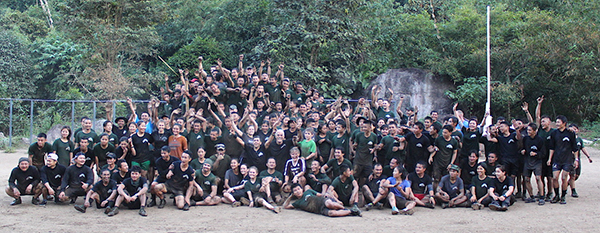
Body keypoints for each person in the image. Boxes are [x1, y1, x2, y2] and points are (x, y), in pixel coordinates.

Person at [547, 115, 578, 204]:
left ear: (564, 123)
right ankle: (556, 195)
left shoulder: (570, 133)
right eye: (556, 122)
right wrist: (550, 159)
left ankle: (563, 196)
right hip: (557, 159)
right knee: (555, 178)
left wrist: (576, 160)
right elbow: (552, 147)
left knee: (564, 177)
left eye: (558, 122)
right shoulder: (554, 133)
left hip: (567, 159)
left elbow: (575, 148)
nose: (556, 124)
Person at [283, 183, 361, 217]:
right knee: (331, 213)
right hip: (319, 210)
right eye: (295, 191)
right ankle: (352, 211)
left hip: (322, 201)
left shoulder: (308, 191)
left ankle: (344, 209)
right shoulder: (297, 203)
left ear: (302, 189)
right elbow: (285, 206)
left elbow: (321, 195)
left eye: (298, 189)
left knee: (329, 204)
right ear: (294, 193)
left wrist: (334, 199)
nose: (298, 191)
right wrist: (290, 197)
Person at [521, 123, 545, 205]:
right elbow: (523, 147)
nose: (528, 132)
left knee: (538, 178)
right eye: (527, 130)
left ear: (535, 131)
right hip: (528, 161)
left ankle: (541, 196)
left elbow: (543, 153)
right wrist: (523, 151)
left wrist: (536, 154)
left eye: (530, 130)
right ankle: (531, 196)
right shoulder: (526, 139)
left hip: (537, 161)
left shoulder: (540, 140)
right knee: (526, 179)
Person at [568, 124, 592, 198]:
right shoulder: (568, 138)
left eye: (575, 129)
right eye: (572, 129)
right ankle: (573, 190)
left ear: (577, 130)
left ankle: (566, 184)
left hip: (577, 159)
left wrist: (588, 156)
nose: (574, 130)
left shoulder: (579, 139)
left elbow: (583, 148)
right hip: (569, 159)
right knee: (572, 175)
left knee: (577, 176)